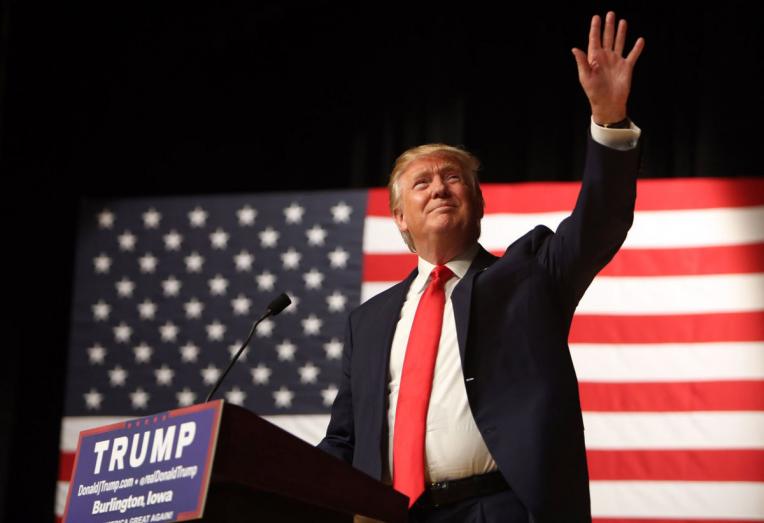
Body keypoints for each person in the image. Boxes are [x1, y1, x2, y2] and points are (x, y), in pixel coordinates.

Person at [318, 11, 645, 522]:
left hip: (496, 510)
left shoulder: (529, 276)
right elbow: (344, 438)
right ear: (401, 219)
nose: (440, 187)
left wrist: (608, 119)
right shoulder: (369, 321)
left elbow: (599, 222)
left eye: (453, 178)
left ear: (478, 203)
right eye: (422, 183)